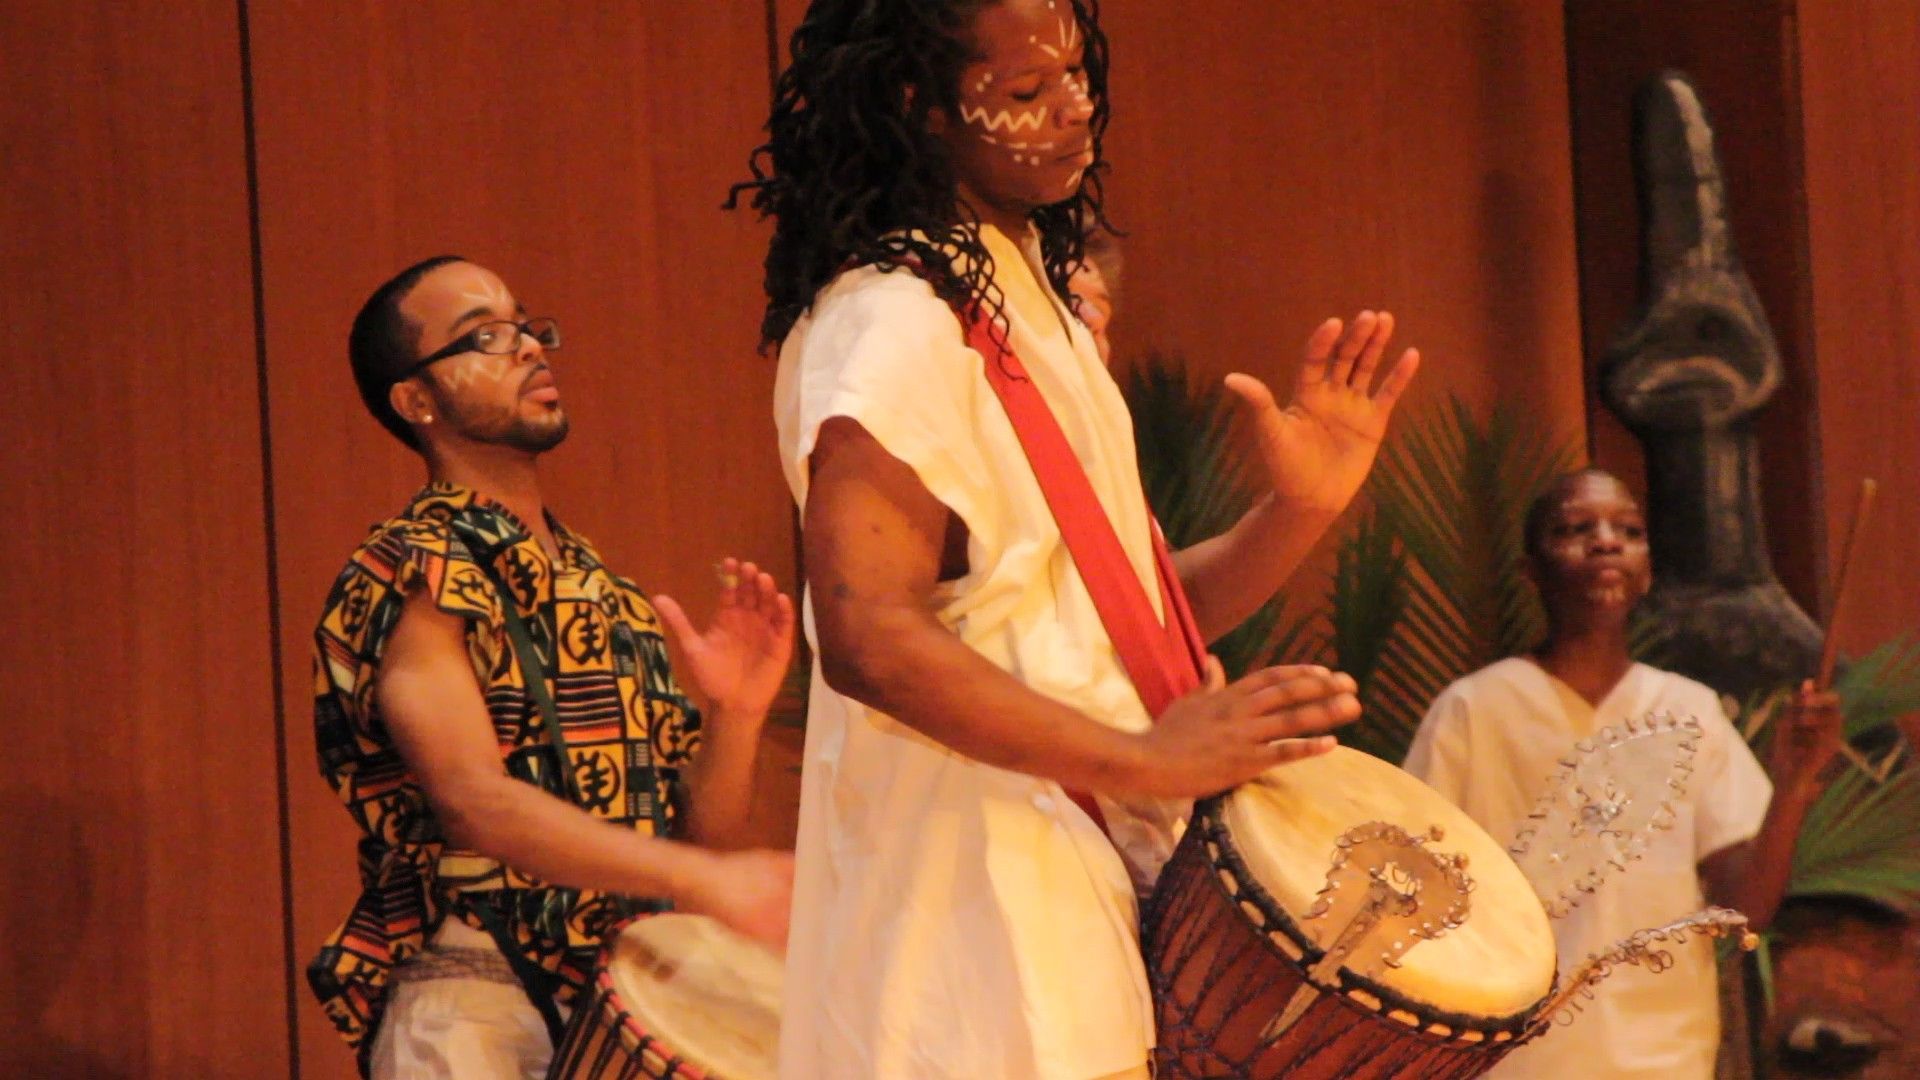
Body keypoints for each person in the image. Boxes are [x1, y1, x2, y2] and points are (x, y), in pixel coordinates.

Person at [733, 2, 1420, 1075]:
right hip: (976, 903)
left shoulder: (1024, 295)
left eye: (1078, 79)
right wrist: (1147, 758)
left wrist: (1298, 510)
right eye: (1022, 95)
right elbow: (865, 634)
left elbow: (1105, 619)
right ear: (918, 110)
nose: (1075, 114)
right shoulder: (894, 318)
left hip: (1075, 858)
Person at [308, 256, 796, 1078]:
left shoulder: (604, 591)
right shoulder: (411, 566)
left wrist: (736, 716)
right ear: (415, 401)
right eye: (486, 337)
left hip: (612, 992)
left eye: (528, 327)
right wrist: (702, 880)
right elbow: (474, 804)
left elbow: (699, 836)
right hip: (474, 995)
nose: (529, 347)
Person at [1404, 468, 1844, 1078]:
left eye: (1628, 530)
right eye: (1575, 529)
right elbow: (1417, 894)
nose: (1606, 541)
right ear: (1532, 571)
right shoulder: (1472, 710)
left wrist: (1794, 784)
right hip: (1515, 1053)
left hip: (1663, 1051)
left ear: (1648, 570)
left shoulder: (1689, 710)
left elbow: (1743, 910)